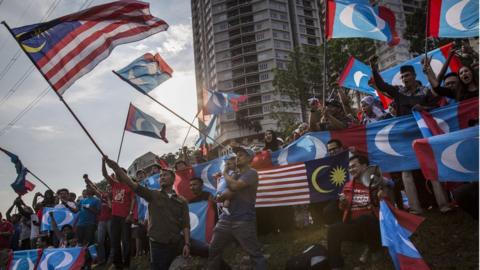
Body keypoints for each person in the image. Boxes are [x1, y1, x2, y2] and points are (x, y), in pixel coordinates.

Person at [103, 157, 191, 270]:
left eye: (165, 175)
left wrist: (187, 244)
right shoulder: (152, 195)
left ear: (173, 179)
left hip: (176, 242)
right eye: (160, 176)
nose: (162, 177)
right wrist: (116, 168)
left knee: (207, 249)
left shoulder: (182, 201)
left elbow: (185, 224)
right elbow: (131, 183)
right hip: (157, 245)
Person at [208, 146, 267, 270]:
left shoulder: (252, 173)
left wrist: (224, 173)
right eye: (236, 156)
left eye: (240, 155)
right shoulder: (234, 175)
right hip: (226, 219)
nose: (237, 158)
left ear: (250, 158)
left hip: (244, 220)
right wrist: (219, 197)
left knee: (254, 254)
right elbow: (226, 195)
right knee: (213, 250)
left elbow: (234, 187)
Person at [327, 156, 382, 269]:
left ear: (364, 166)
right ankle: (336, 265)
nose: (351, 170)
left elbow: (387, 202)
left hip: (373, 226)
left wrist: (382, 194)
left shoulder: (376, 182)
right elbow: (343, 208)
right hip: (355, 227)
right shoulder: (347, 186)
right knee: (332, 229)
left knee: (365, 219)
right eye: (349, 168)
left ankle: (374, 249)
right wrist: (343, 203)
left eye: (354, 166)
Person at [102, 160, 135, 270]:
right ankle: (117, 264)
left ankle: (126, 264)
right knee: (115, 241)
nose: (117, 175)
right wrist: (103, 162)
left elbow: (133, 200)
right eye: (116, 174)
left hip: (125, 217)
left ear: (124, 175)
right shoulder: (115, 184)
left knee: (126, 241)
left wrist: (130, 214)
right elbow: (105, 174)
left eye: (119, 173)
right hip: (114, 217)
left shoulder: (130, 186)